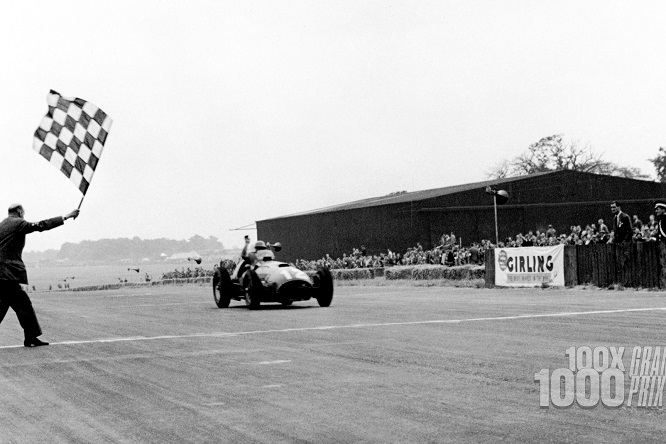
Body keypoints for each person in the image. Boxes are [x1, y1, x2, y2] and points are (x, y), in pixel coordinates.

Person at [0, 203, 79, 347]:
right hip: (8, 275)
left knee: (20, 306)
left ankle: (30, 337)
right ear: (19, 211)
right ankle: (30, 337)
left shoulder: (2, 224)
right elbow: (41, 225)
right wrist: (66, 217)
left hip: (3, 275)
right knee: (21, 305)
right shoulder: (18, 223)